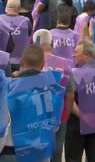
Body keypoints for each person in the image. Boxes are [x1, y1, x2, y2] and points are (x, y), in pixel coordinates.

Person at [0, 45, 65, 161]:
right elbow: (55, 125)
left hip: (10, 152)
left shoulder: (7, 87)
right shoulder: (52, 90)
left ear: (21, 63)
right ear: (43, 65)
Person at [33, 29, 76, 162]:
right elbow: (70, 94)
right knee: (56, 153)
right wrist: (66, 114)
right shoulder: (65, 64)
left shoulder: (32, 62)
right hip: (59, 113)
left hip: (36, 115)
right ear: (52, 43)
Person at [0, 0, 32, 71]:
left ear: (6, 6)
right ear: (19, 8)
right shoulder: (26, 21)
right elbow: (29, 37)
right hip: (19, 62)